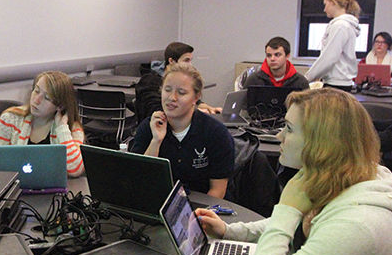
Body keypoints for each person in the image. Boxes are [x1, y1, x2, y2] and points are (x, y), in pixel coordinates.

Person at [196, 88, 392, 255]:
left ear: (321, 142)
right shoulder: (353, 176)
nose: (279, 136)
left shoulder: (357, 224)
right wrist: (230, 232)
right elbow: (304, 222)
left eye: (288, 128)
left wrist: (286, 209)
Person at [130, 63, 234, 198]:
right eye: (167, 90)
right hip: (162, 202)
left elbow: (217, 191)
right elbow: (141, 180)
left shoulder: (215, 133)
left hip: (206, 206)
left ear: (196, 98)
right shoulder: (149, 126)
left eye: (181, 92)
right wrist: (156, 141)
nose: (172, 98)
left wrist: (196, 217)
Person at [0, 71, 84, 177]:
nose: (36, 100)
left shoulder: (71, 128)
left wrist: (62, 128)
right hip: (16, 187)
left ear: (60, 106)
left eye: (47, 98)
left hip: (53, 190)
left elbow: (75, 170)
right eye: (36, 91)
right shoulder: (10, 119)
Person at [134, 42, 221, 121]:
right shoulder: (149, 82)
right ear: (171, 61)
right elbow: (157, 111)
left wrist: (207, 107)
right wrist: (194, 111)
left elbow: (189, 102)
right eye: (186, 60)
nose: (190, 65)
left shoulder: (178, 80)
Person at [305, 0, 361, 90]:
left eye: (325, 4)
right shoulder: (345, 25)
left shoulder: (340, 26)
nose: (324, 9)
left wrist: (306, 79)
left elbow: (329, 57)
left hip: (336, 84)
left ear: (333, 2)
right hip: (340, 83)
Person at [243, 37, 309, 90]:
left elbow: (307, 106)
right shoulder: (254, 80)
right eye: (269, 55)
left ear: (287, 56)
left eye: (277, 55)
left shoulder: (300, 82)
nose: (272, 59)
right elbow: (243, 105)